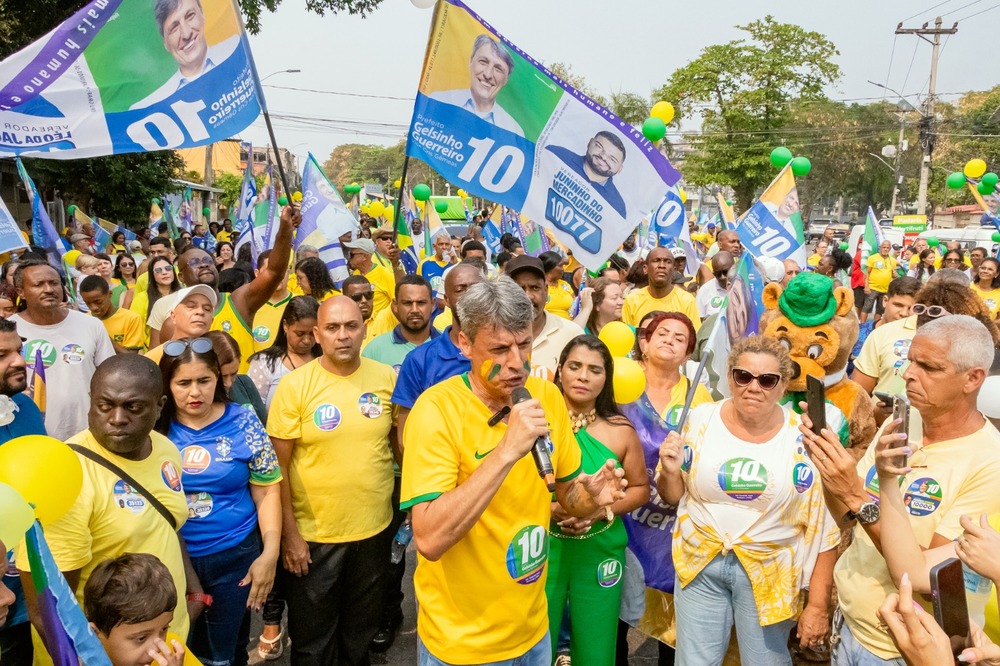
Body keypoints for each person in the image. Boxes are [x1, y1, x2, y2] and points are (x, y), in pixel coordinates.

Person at [399, 276, 626, 665]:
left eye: (524, 345)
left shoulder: (547, 397)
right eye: (500, 349)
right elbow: (430, 539)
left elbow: (568, 496)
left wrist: (592, 497)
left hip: (533, 633)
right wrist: (505, 452)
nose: (517, 363)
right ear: (464, 343)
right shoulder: (436, 411)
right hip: (461, 645)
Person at [799, 315, 1000, 664]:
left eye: (929, 367)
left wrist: (854, 494)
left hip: (904, 649)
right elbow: (847, 517)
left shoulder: (990, 463)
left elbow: (923, 576)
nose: (909, 373)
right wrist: (830, 466)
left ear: (973, 379)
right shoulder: (904, 422)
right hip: (851, 623)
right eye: (910, 360)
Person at [658, 335, 839, 664]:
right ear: (729, 377)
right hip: (700, 563)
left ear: (783, 386)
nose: (753, 387)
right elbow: (674, 497)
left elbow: (824, 527)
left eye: (767, 380)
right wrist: (669, 473)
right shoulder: (699, 419)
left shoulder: (803, 438)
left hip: (771, 573)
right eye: (743, 376)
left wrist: (817, 603)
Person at [17, 355, 194, 656]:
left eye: (133, 407)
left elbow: (167, 523)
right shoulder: (66, 478)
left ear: (160, 405)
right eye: (105, 405)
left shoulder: (165, 449)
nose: (117, 418)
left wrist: (193, 587)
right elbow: (48, 608)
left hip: (166, 644)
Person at [267, 297, 397, 666]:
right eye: (333, 328)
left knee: (360, 634)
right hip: (315, 537)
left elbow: (397, 447)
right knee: (313, 642)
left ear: (365, 330)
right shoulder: (295, 386)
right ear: (317, 334)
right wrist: (290, 536)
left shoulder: (385, 378)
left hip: (373, 531)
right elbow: (277, 469)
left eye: (351, 326)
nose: (343, 336)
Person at [156, 337, 281, 666]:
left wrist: (270, 552)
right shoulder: (153, 430)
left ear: (220, 379)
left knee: (221, 655)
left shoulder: (244, 421)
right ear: (167, 384)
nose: (194, 392)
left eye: (204, 380)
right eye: (183, 382)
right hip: (169, 561)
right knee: (175, 651)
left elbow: (267, 489)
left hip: (234, 557)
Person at [546, 336, 650, 665]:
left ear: (606, 379)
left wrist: (598, 512)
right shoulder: (535, 423)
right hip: (541, 546)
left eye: (594, 370)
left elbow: (639, 489)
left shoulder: (620, 430)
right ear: (560, 370)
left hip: (599, 550)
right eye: (574, 366)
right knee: (534, 641)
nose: (583, 376)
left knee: (596, 646)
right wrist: (549, 509)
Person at [175, 204, 299, 372]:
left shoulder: (238, 302)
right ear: (181, 276)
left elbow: (274, 272)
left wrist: (285, 230)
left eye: (208, 261)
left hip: (243, 396)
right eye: (195, 263)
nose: (204, 265)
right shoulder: (173, 317)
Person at [12, 259, 115, 440]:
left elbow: (111, 377)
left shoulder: (91, 324)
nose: (49, 289)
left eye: (54, 283)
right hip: (29, 436)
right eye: (39, 284)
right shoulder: (9, 331)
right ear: (21, 291)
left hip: (88, 434)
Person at [852, 278, 1000, 398]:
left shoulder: (971, 346)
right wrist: (877, 414)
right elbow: (858, 392)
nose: (908, 374)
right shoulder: (883, 333)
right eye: (922, 309)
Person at [392, 263, 484, 450]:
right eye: (460, 290)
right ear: (447, 300)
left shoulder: (506, 351)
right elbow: (405, 437)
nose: (469, 296)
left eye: (475, 288)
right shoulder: (419, 360)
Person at [0, 317, 46, 666]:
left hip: (34, 591)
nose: (19, 360)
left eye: (18, 349)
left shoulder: (27, 408)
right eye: (3, 354)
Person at [130, 0, 240, 109]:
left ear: (202, 14)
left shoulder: (235, 49)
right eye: (174, 28)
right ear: (165, 43)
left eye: (190, 16)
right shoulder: (154, 106)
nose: (186, 34)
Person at [83, 554, 187, 666]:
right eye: (141, 638)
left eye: (164, 628)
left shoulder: (172, 653)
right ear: (94, 635)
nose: (157, 649)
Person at [429, 33, 525, 137]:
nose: (488, 75)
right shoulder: (437, 101)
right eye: (483, 62)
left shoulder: (514, 132)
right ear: (471, 61)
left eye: (498, 69)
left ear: (506, 79)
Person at [507, 255, 584, 380]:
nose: (528, 296)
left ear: (546, 290)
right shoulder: (493, 335)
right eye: (520, 289)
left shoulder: (572, 334)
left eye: (535, 288)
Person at [248, 296, 320, 410]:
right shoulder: (264, 363)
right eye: (300, 334)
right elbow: (253, 410)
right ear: (285, 326)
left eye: (312, 334)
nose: (306, 340)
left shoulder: (326, 359)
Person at [546, 132, 628, 218]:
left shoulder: (617, 207)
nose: (603, 157)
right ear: (590, 143)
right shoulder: (555, 154)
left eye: (612, 159)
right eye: (599, 147)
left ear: (619, 169)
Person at [849, 276, 919, 377]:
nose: (904, 313)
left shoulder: (917, 341)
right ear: (885, 301)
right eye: (898, 305)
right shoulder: (857, 332)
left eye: (912, 308)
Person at [622, 247, 701, 330]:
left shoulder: (687, 301)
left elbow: (693, 339)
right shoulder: (632, 300)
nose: (662, 266)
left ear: (674, 270)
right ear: (645, 269)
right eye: (656, 260)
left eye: (667, 261)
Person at [206, 330, 266, 425]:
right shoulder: (200, 397)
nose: (228, 383)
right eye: (222, 376)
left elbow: (264, 425)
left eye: (234, 374)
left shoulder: (245, 383)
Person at [144, 285, 216, 364]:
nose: (200, 312)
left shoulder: (218, 356)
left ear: (212, 321)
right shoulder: (152, 360)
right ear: (173, 316)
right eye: (191, 306)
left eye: (207, 309)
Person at [79, 276, 145, 354]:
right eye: (88, 303)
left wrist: (104, 337)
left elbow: (131, 357)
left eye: (98, 302)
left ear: (110, 294)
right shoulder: (83, 320)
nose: (93, 307)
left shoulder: (131, 318)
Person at [130, 256, 181, 349]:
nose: (164, 272)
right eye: (158, 270)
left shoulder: (184, 294)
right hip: (152, 350)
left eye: (168, 268)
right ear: (152, 275)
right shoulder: (142, 298)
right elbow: (135, 328)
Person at [343, 237, 395, 322]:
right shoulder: (355, 275)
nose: (349, 258)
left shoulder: (385, 274)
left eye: (352, 255)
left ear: (364, 256)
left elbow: (397, 301)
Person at [250, 250, 292, 352]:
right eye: (270, 270)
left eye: (282, 270)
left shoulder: (301, 305)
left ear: (288, 272)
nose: (277, 275)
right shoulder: (248, 307)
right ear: (257, 273)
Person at [863, 240, 897, 324]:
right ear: (880, 248)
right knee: (867, 307)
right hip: (873, 287)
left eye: (887, 248)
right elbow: (867, 272)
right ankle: (862, 325)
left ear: (890, 249)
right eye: (884, 247)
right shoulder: (873, 258)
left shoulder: (892, 260)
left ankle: (875, 325)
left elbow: (893, 275)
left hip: (885, 289)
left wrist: (895, 274)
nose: (885, 249)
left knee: (880, 309)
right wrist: (866, 286)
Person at [419, 232, 456, 302]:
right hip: (431, 310)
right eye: (441, 244)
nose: (444, 247)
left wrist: (455, 264)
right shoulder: (424, 264)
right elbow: (418, 288)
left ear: (451, 246)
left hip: (450, 310)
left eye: (447, 244)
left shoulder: (457, 263)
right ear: (434, 246)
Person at [696, 250, 732, 318]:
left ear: (734, 269)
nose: (722, 277)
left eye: (725, 272)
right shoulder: (705, 290)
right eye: (718, 274)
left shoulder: (745, 287)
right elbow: (700, 320)